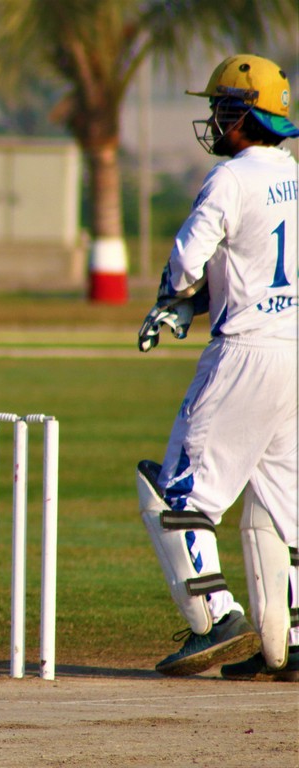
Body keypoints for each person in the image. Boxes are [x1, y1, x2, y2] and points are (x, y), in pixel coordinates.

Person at [135, 53, 298, 682]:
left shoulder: (230, 178)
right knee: (284, 506)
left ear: (238, 114)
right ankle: (290, 643)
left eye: (218, 108)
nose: (212, 120)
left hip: (245, 353)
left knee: (175, 492)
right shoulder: (294, 177)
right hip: (293, 350)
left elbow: (187, 263)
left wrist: (175, 300)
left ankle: (215, 620)